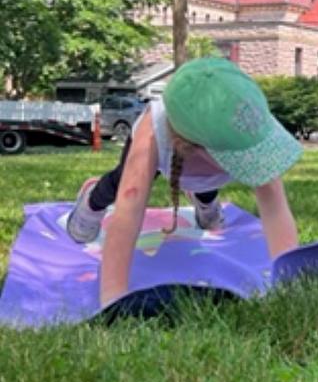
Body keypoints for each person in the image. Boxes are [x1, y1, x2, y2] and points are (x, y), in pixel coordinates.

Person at [66, 58, 303, 306]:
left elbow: (275, 206)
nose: (253, 159)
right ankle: (93, 199)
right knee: (118, 183)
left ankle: (204, 202)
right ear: (190, 145)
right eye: (239, 157)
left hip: (203, 171)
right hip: (171, 157)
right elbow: (129, 209)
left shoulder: (246, 120)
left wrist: (290, 283)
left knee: (207, 187)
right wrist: (113, 299)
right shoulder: (153, 133)